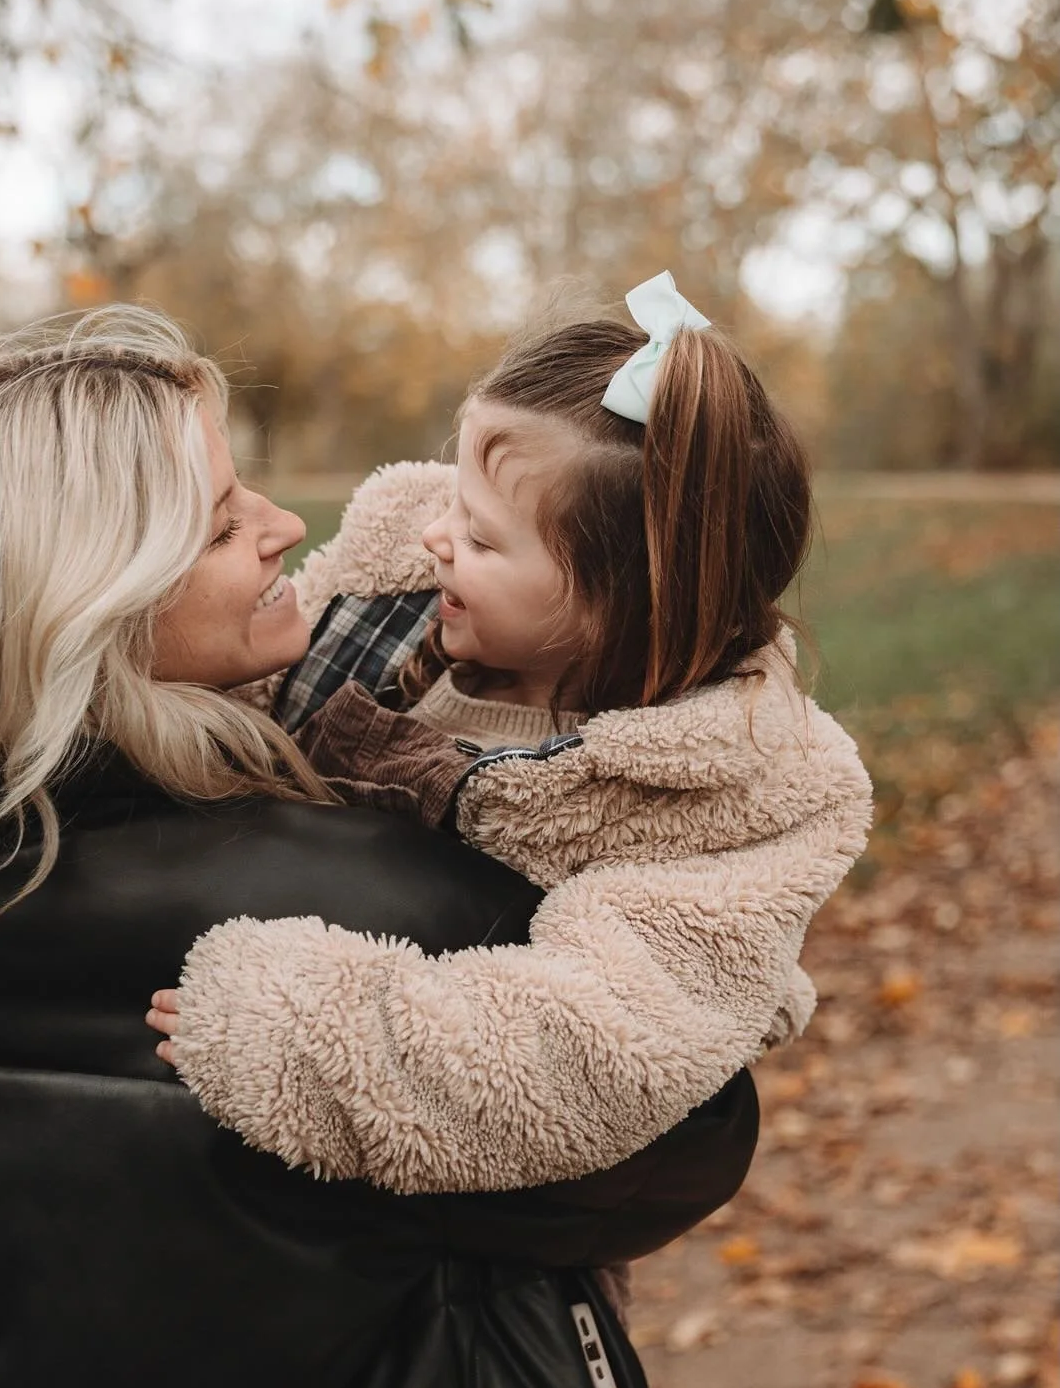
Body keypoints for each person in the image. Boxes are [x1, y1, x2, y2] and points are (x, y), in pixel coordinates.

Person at [0, 308, 760, 1388]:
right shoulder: (372, 894)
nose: (288, 523)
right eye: (227, 518)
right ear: (92, 593)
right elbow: (685, 1133)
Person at [139, 275, 871, 1198]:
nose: (437, 536)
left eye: (483, 540)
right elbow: (157, 698)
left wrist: (293, 1029)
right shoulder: (381, 601)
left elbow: (587, 1053)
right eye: (452, 496)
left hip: (473, 1275)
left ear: (622, 608)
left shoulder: (720, 799)